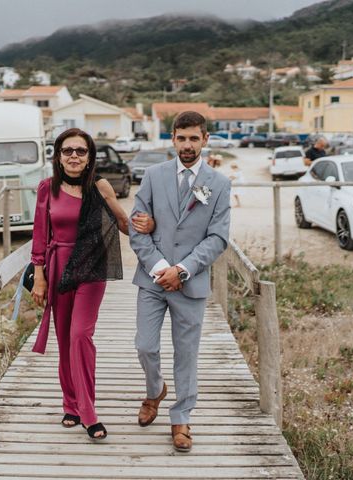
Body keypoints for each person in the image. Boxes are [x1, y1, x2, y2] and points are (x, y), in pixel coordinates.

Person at [30, 128, 154, 441]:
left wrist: (151, 227)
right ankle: (70, 403)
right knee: (64, 340)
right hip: (58, 268)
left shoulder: (99, 186)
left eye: (80, 151)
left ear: (89, 157)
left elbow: (124, 224)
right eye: (67, 150)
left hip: (91, 268)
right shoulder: (47, 188)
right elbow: (40, 237)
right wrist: (40, 277)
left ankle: (87, 412)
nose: (74, 156)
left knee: (80, 335)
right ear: (58, 156)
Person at [129, 111, 231, 453]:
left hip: (191, 282)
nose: (187, 145)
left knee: (186, 353)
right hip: (152, 278)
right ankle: (155, 388)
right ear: (172, 139)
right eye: (181, 138)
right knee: (145, 345)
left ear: (205, 139)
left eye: (194, 138)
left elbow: (217, 238)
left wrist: (182, 270)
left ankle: (181, 418)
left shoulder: (218, 184)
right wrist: (161, 267)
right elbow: (137, 225)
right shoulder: (153, 176)